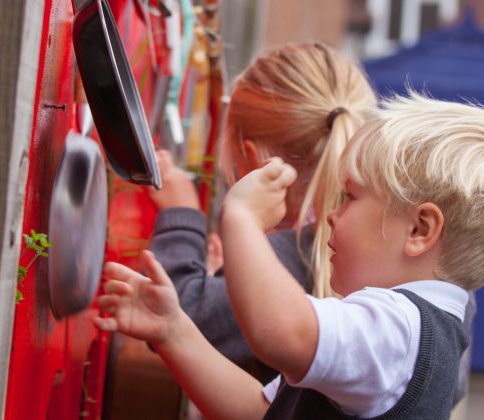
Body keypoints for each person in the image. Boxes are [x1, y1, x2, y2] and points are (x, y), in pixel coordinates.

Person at [95, 93, 484, 418]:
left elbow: (283, 332)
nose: (332, 217)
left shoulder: (402, 331)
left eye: (350, 197)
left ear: (419, 230)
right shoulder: (399, 332)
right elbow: (259, 411)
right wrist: (175, 332)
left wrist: (242, 219)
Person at [147, 42, 378, 383]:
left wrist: (181, 213)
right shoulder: (368, 248)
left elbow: (176, 312)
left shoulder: (296, 254)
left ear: (254, 158)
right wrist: (225, 277)